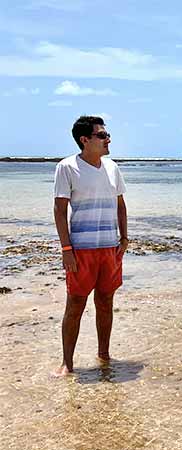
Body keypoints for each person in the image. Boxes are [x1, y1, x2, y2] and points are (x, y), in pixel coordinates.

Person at [52, 115, 128, 376]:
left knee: (105, 301)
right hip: (81, 250)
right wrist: (66, 249)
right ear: (85, 140)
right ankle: (67, 363)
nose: (108, 139)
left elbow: (121, 205)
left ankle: (104, 355)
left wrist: (124, 239)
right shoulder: (67, 167)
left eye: (107, 135)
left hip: (110, 248)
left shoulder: (112, 167)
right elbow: (60, 210)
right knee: (75, 304)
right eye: (102, 135)